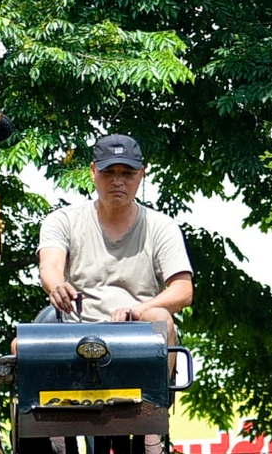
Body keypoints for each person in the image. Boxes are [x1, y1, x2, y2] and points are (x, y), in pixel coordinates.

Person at [35, 134, 194, 337]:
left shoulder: (162, 227)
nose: (117, 181)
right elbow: (50, 265)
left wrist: (137, 311)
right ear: (93, 171)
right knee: (18, 347)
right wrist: (57, 286)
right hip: (76, 333)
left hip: (140, 334)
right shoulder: (63, 220)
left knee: (160, 317)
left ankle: (161, 368)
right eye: (108, 172)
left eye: (127, 174)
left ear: (141, 175)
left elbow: (183, 290)